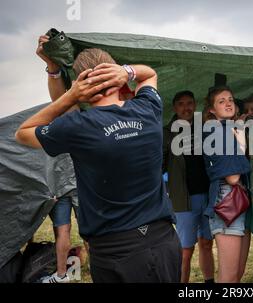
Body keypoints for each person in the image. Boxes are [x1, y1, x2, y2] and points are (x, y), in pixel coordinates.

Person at [15, 48, 182, 283]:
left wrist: (71, 96)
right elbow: (149, 75)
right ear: (117, 77)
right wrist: (127, 71)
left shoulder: (78, 126)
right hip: (163, 240)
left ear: (80, 83)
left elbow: (22, 133)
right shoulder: (148, 109)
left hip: (114, 250)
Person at [35, 34, 79, 283]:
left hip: (61, 185)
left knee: (63, 230)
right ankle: (67, 273)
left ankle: (62, 275)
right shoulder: (76, 116)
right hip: (75, 184)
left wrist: (53, 67)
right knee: (88, 231)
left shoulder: (51, 119)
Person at [163, 90, 215, 283]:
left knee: (207, 243)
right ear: (175, 108)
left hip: (207, 196)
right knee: (186, 249)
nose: (186, 108)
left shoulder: (204, 129)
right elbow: (159, 165)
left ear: (195, 105)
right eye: (181, 104)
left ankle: (209, 281)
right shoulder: (167, 133)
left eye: (190, 103)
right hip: (184, 198)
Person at [202, 86, 251, 283]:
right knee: (230, 276)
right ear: (212, 109)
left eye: (230, 99)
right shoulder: (218, 131)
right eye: (221, 101)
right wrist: (242, 145)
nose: (228, 103)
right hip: (227, 199)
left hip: (236, 198)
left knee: (236, 273)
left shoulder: (227, 129)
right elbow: (232, 177)